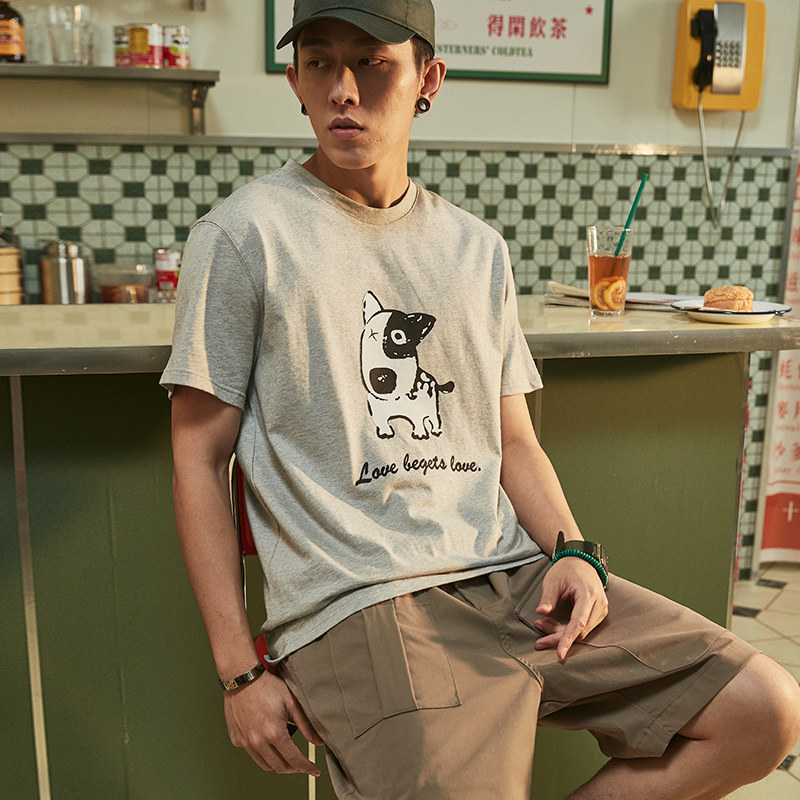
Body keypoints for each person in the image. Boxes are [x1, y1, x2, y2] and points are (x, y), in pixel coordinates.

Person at [161, 1, 800, 797]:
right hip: (359, 599)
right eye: (320, 62)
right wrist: (238, 672)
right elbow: (198, 459)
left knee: (763, 709)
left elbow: (513, 442)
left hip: (511, 578)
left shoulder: (475, 249)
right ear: (295, 80)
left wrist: (573, 552)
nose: (343, 90)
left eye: (373, 63)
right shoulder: (243, 236)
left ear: (427, 79)